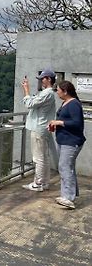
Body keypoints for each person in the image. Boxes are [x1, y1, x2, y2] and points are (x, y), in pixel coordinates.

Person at [48, 80, 86, 209]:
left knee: (64, 167)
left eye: (58, 90)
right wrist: (55, 124)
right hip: (64, 141)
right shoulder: (66, 103)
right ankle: (71, 194)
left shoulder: (74, 104)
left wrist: (59, 123)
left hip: (71, 142)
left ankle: (68, 198)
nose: (57, 92)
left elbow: (77, 123)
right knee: (68, 167)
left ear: (65, 91)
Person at [21, 69, 56, 192]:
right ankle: (44, 182)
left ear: (49, 79)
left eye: (42, 79)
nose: (41, 81)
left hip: (39, 128)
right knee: (44, 157)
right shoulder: (48, 93)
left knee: (38, 158)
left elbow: (30, 104)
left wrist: (26, 90)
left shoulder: (47, 93)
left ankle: (38, 183)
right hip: (43, 128)